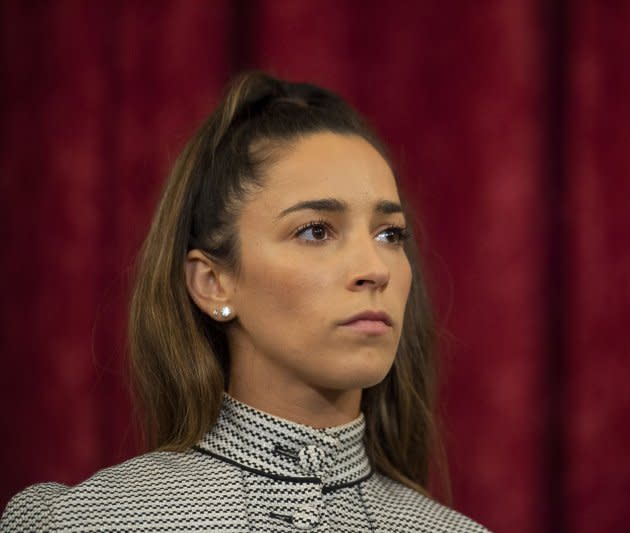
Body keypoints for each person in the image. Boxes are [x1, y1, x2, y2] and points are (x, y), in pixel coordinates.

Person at [0, 71, 488, 532]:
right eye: (316, 231)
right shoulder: (83, 524)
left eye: (389, 233)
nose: (375, 269)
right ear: (213, 282)